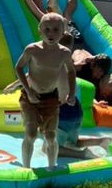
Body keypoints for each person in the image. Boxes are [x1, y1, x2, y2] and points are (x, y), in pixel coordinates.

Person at [13, 11, 76, 169]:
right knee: (31, 134)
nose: (51, 34)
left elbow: (71, 71)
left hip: (51, 98)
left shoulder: (64, 53)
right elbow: (19, 67)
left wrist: (72, 93)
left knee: (50, 136)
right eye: (47, 29)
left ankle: (51, 168)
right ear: (39, 30)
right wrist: (28, 91)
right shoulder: (32, 50)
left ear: (62, 32)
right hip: (30, 98)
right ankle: (26, 168)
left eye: (56, 30)